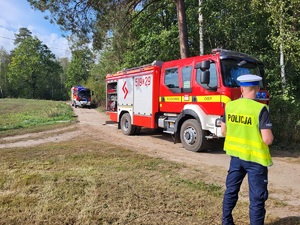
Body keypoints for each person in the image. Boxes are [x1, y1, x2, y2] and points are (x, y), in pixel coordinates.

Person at [221, 74, 274, 225]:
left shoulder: (230, 106)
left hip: (236, 158)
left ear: (241, 89)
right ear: (257, 89)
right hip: (256, 161)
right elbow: (267, 139)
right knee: (257, 199)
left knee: (231, 191)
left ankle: (226, 222)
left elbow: (223, 131)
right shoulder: (260, 109)